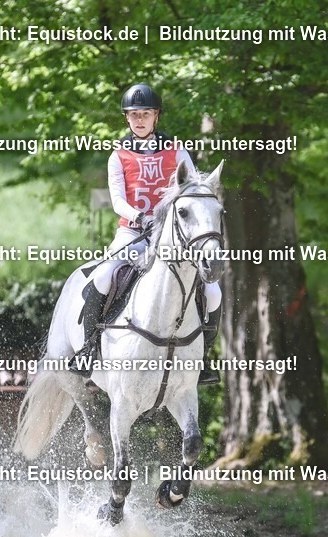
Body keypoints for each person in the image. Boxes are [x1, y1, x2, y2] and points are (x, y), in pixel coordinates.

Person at [72, 83, 222, 385]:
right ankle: (88, 350)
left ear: (157, 117)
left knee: (213, 291)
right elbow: (117, 201)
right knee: (102, 277)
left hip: (173, 237)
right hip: (132, 235)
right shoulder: (118, 156)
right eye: (134, 114)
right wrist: (140, 217)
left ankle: (202, 358)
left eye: (146, 114)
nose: (139, 120)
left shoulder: (176, 150)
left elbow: (190, 189)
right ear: (127, 118)